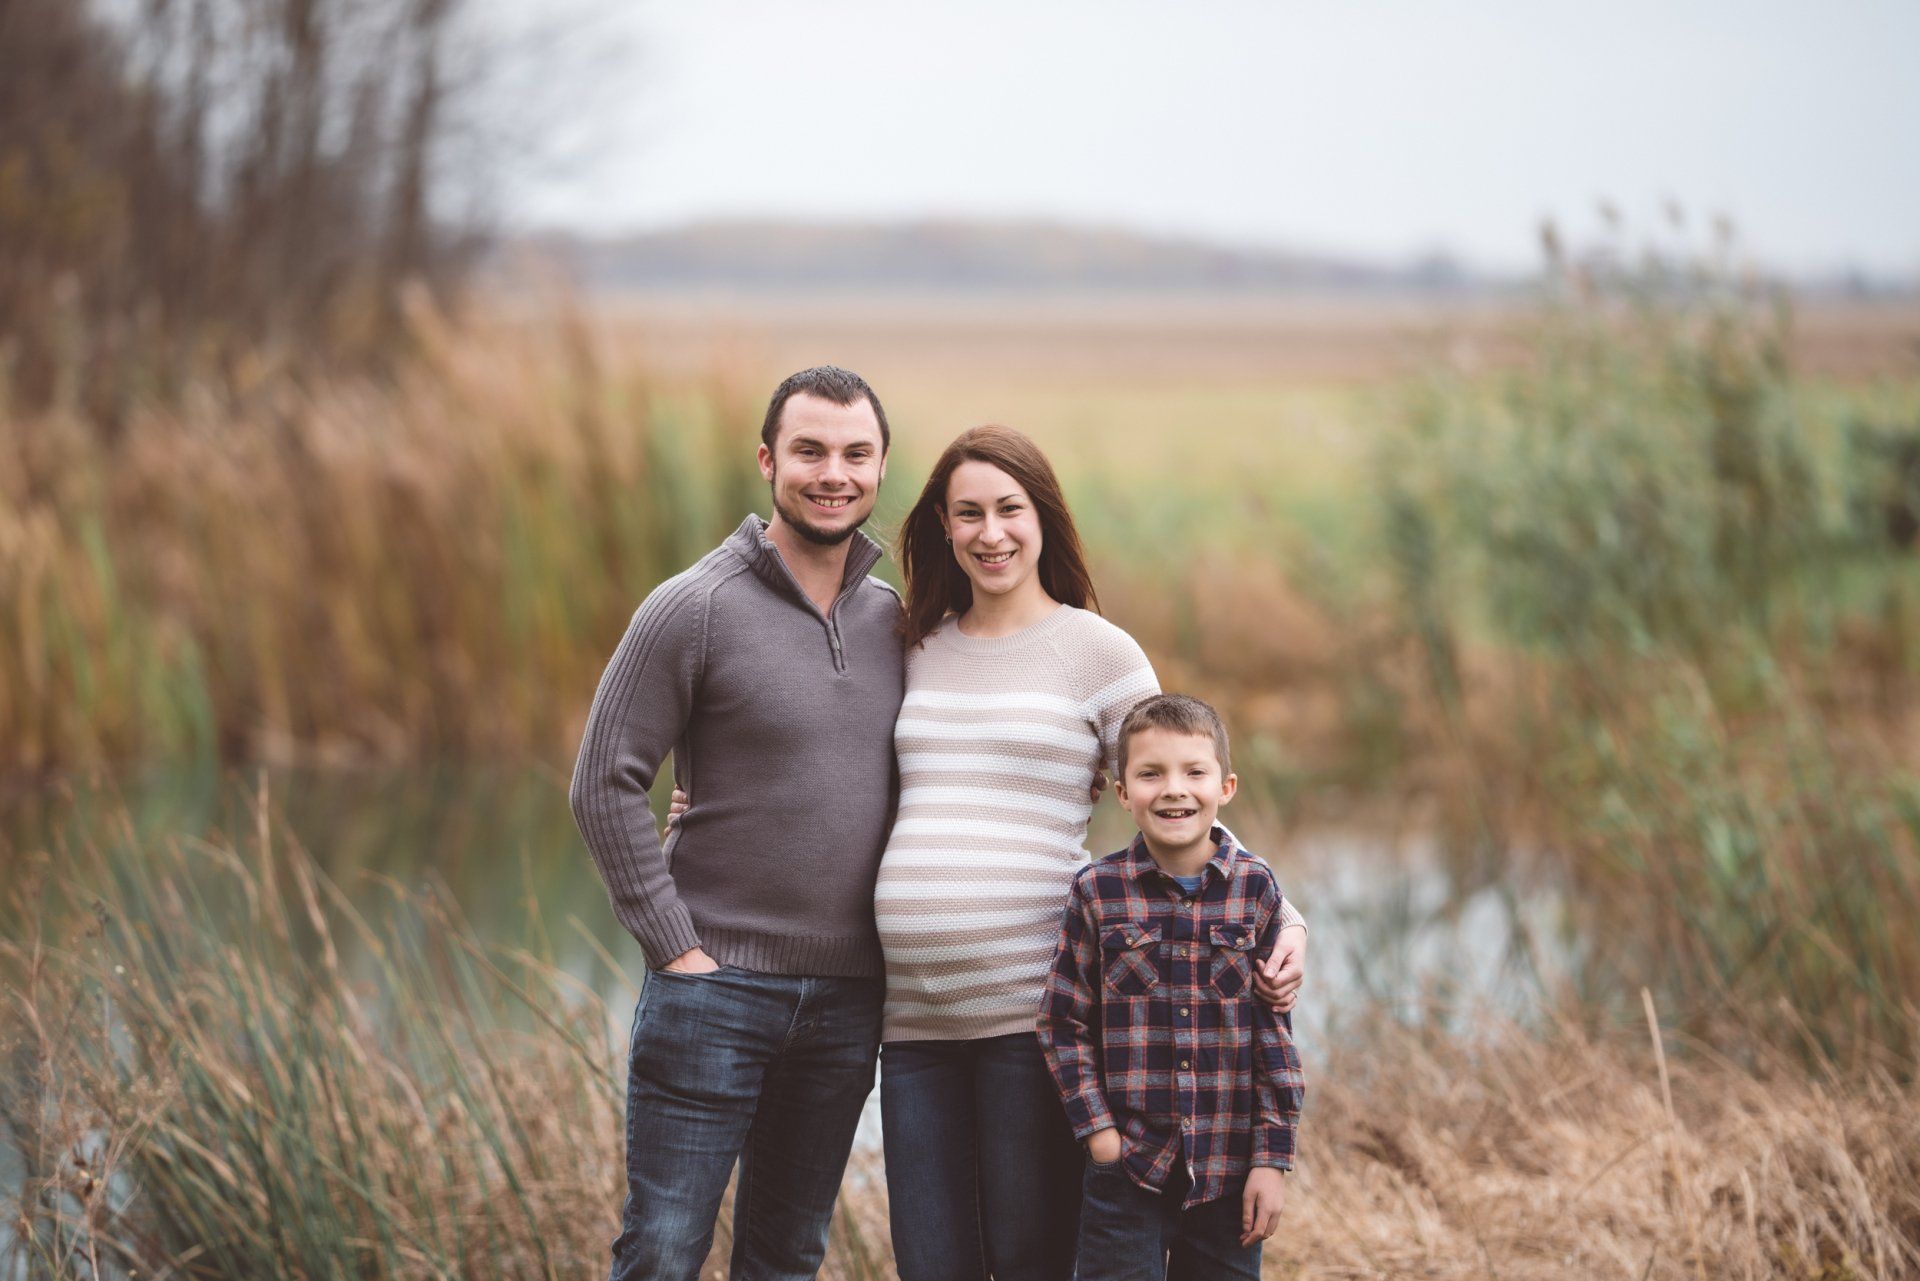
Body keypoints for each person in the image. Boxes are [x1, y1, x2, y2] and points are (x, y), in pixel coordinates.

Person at [872, 426, 1307, 1281]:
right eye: (968, 513)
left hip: (1031, 1012)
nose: (990, 532)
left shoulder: (1098, 651)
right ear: (943, 527)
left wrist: (1283, 910)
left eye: (1009, 508)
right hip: (910, 1021)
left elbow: (1175, 786)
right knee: (930, 1264)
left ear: (1044, 518)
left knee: (1030, 1256)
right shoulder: (912, 646)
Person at [569, 366, 905, 1281]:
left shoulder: (894, 622)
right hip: (713, 990)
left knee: (787, 1255)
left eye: (854, 453)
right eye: (809, 451)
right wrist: (675, 946)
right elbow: (604, 782)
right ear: (768, 460)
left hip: (846, 1002)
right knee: (664, 1250)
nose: (832, 472)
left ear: (880, 468)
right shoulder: (693, 607)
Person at [1037, 693, 1305, 1281]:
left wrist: (1271, 1160)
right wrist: (1100, 1136)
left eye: (1194, 772)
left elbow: (1273, 1036)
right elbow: (1062, 1021)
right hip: (1128, 1170)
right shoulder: (1098, 892)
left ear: (1225, 788)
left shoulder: (1255, 890)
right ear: (1123, 793)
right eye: (1151, 774)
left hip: (1227, 1170)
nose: (1174, 789)